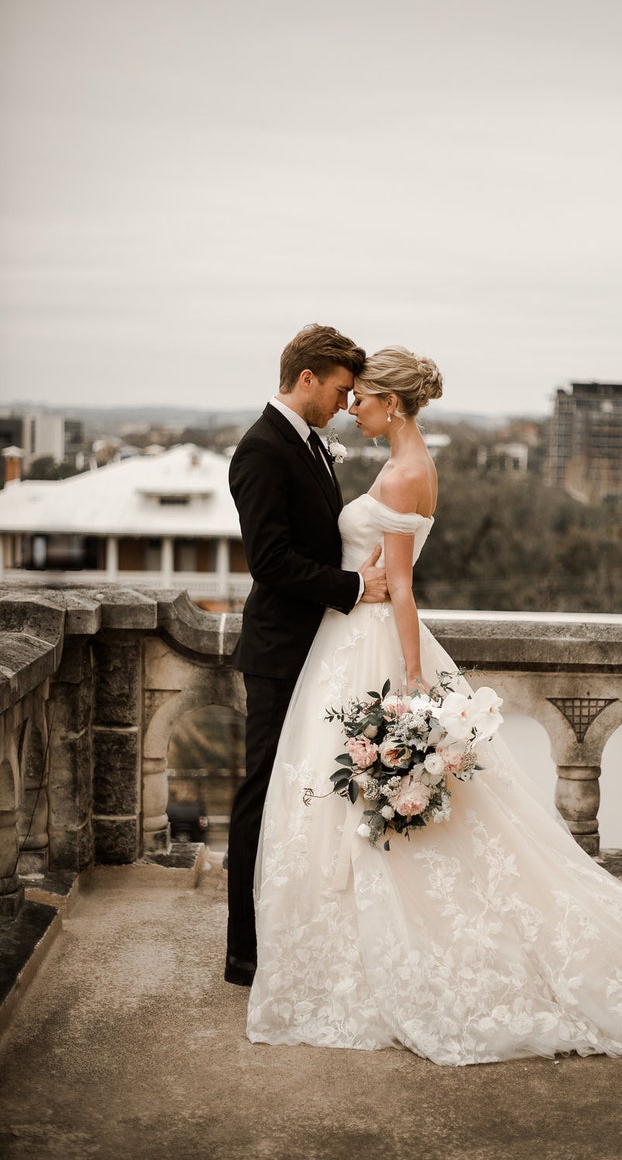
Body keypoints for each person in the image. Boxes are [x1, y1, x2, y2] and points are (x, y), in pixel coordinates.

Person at [245, 345, 622, 1067]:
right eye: (348, 395)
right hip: (352, 636)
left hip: (371, 642)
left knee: (353, 799)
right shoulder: (412, 464)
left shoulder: (401, 473)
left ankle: (366, 945)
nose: (352, 406)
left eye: (361, 398)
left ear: (392, 404)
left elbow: (401, 587)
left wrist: (414, 685)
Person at [224, 324, 389, 986]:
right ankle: (244, 953)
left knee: (304, 796)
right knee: (258, 796)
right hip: (278, 652)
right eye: (342, 389)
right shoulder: (261, 450)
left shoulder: (311, 445)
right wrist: (353, 586)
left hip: (316, 650)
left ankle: (291, 931)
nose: (346, 404)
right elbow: (269, 562)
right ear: (307, 379)